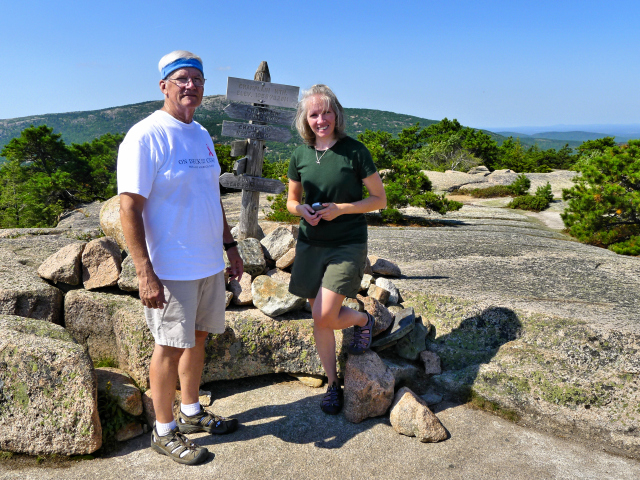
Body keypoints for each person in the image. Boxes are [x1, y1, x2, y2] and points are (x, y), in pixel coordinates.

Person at [117, 50, 243, 465]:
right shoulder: (145, 135)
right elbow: (129, 208)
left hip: (207, 262)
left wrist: (230, 247)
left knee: (198, 339)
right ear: (164, 85)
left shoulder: (202, 134)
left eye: (198, 80)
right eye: (182, 78)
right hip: (170, 267)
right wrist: (144, 272)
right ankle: (164, 430)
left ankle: (191, 412)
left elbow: (212, 197)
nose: (191, 86)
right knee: (168, 346)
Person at [286, 84, 387, 415]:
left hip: (347, 242)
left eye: (326, 112)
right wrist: (301, 211)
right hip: (311, 243)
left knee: (324, 314)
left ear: (336, 114)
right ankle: (332, 384)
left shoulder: (355, 151)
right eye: (314, 114)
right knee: (320, 320)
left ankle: (361, 320)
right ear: (306, 119)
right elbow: (291, 201)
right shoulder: (300, 155)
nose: (321, 119)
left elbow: (378, 199)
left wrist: (340, 209)